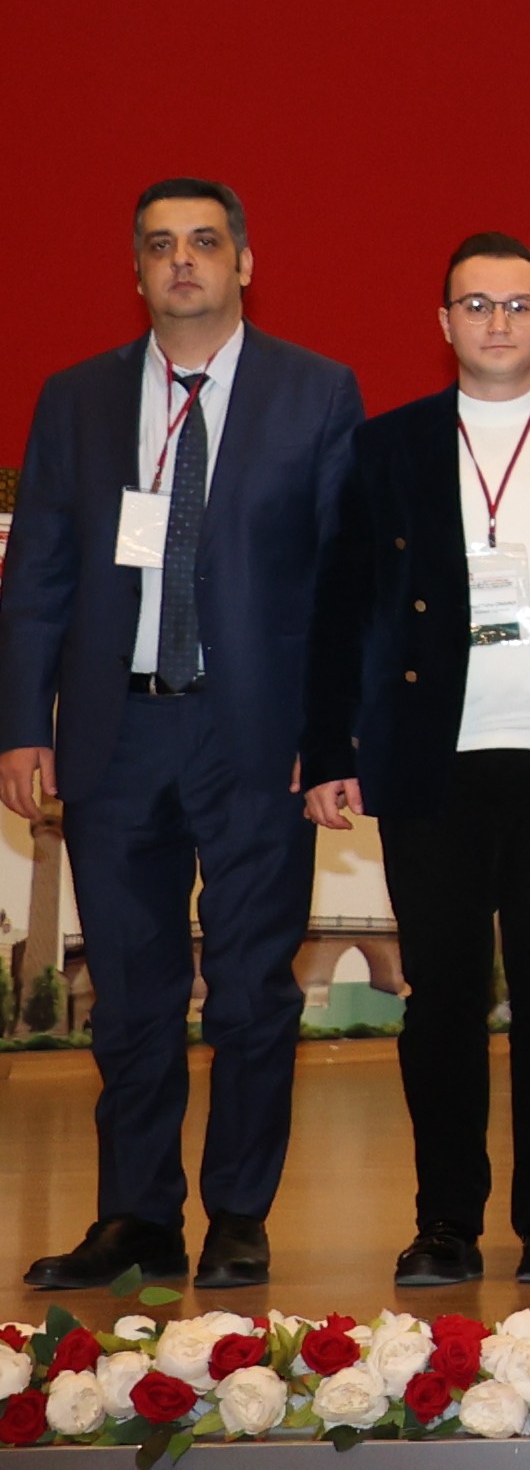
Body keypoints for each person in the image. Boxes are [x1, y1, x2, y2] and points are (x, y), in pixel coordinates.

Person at [1, 180, 364, 1292]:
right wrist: (21, 723)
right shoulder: (78, 398)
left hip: (256, 737)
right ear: (138, 270)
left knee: (253, 992)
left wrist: (331, 736)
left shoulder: (316, 391)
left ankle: (238, 1215)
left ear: (244, 261)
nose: (183, 261)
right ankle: (136, 1217)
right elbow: (38, 575)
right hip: (116, 733)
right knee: (131, 995)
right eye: (160, 245)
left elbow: (342, 583)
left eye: (204, 241)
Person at [300, 232, 530, 1287]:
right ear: (443, 321)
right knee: (440, 996)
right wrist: (329, 747)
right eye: (477, 304)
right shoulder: (387, 445)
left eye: (519, 304)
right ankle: (445, 1221)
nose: (498, 321)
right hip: (430, 761)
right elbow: (341, 603)